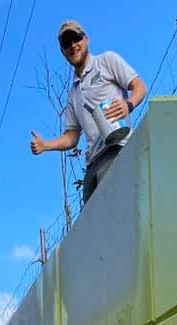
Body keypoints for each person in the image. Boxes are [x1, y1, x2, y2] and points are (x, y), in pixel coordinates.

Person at [30, 19, 148, 203]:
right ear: (63, 52)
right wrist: (46, 145)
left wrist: (128, 104)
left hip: (117, 149)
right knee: (92, 224)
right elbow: (72, 136)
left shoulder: (107, 61)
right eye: (66, 44)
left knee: (113, 212)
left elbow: (139, 87)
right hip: (92, 163)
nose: (73, 46)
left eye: (75, 39)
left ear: (86, 40)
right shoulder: (73, 94)